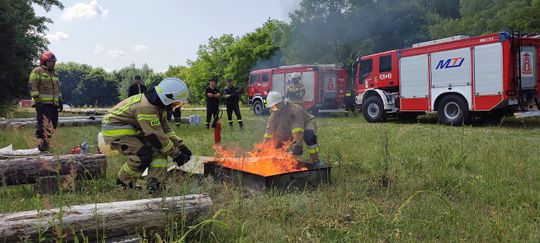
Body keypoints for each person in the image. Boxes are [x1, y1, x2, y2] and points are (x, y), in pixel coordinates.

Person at [101, 77, 192, 193]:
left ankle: (155, 185)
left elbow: (166, 130)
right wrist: (177, 154)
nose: (176, 106)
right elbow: (156, 137)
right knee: (142, 155)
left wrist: (181, 146)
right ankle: (124, 182)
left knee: (159, 150)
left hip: (134, 129)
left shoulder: (159, 105)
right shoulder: (146, 107)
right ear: (168, 97)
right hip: (115, 129)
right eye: (176, 103)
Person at [263, 91, 320, 164]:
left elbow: (297, 131)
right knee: (277, 142)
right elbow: (269, 132)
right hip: (290, 128)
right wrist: (263, 149)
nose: (273, 109)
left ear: (282, 103)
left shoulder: (294, 110)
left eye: (275, 106)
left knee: (309, 136)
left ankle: (315, 161)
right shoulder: (274, 115)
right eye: (272, 107)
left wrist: (297, 146)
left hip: (307, 123)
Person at [29, 51, 63, 152]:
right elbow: (32, 86)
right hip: (42, 104)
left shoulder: (54, 73)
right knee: (43, 126)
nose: (52, 63)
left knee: (53, 125)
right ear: (43, 61)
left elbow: (57, 89)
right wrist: (37, 101)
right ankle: (41, 147)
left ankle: (47, 146)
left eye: (53, 62)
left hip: (53, 104)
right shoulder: (37, 71)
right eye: (49, 62)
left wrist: (60, 100)